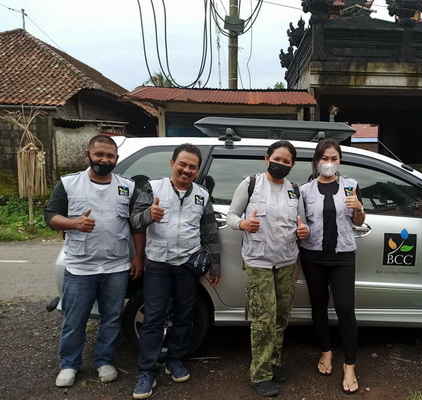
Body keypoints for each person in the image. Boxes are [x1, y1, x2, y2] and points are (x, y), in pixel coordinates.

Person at [44, 134, 144, 387]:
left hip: (116, 265)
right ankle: (69, 364)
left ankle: (104, 361)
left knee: (111, 318)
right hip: (81, 266)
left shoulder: (127, 187)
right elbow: (51, 216)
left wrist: (138, 257)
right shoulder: (69, 184)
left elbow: (136, 225)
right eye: (99, 154)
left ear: (116, 159)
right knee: (74, 319)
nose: (104, 160)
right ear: (87, 155)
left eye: (110, 156)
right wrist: (73, 223)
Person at [130, 143, 221, 399]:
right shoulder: (153, 188)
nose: (187, 170)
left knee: (184, 315)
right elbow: (134, 220)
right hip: (158, 265)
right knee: (153, 318)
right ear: (172, 164)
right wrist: (149, 214)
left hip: (187, 265)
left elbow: (210, 233)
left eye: (192, 166)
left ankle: (175, 360)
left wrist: (215, 264)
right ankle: (147, 370)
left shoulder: (202, 195)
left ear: (197, 170)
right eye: (182, 164)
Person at [226, 140, 309, 398]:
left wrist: (303, 231)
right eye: (277, 159)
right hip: (259, 261)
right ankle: (260, 373)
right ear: (266, 158)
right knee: (264, 318)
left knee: (281, 315)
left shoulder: (294, 190)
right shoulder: (250, 184)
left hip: (286, 261)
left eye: (286, 161)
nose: (281, 164)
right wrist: (242, 225)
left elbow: (302, 224)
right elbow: (231, 216)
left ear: (292, 165)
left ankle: (273, 362)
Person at [299, 138, 365, 395]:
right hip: (313, 255)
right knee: (318, 305)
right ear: (317, 161)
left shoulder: (351, 186)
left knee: (345, 309)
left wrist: (359, 208)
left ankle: (350, 364)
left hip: (342, 255)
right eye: (324, 158)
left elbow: (358, 221)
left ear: (340, 161)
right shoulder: (304, 190)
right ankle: (326, 351)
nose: (329, 163)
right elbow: (300, 224)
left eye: (333, 158)